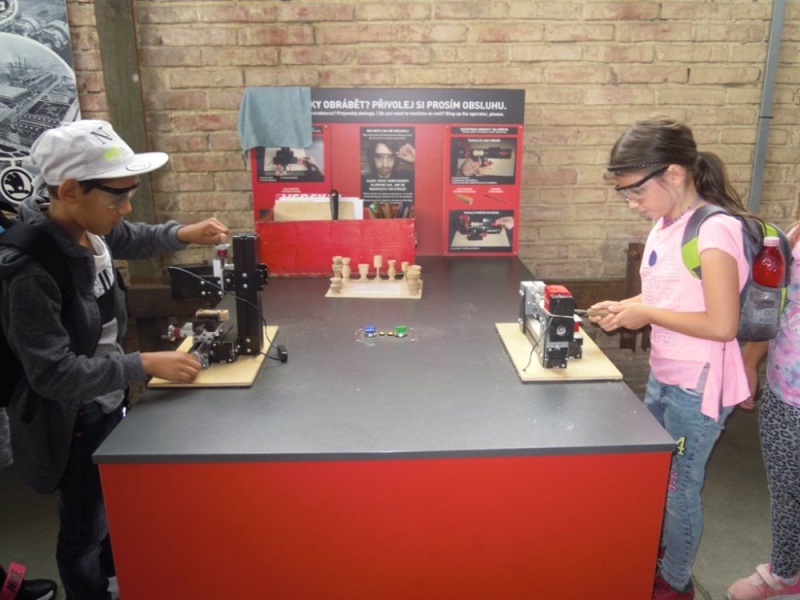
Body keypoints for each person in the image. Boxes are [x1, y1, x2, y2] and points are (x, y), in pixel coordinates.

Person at [0, 120, 229, 600]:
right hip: (72, 417)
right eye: (116, 199)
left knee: (108, 508)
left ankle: (116, 576)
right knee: (83, 528)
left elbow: (130, 236)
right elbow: (52, 374)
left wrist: (183, 233)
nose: (124, 210)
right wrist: (142, 364)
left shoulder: (87, 225)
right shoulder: (29, 271)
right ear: (69, 190)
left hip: (104, 396)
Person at [588, 117, 753, 600]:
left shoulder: (715, 231)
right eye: (625, 194)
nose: (633, 203)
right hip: (667, 375)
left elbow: (722, 325)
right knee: (656, 476)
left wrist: (645, 313)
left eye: (637, 192)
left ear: (674, 174)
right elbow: (671, 295)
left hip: (698, 387)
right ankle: (654, 553)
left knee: (679, 488)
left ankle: (676, 581)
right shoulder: (666, 225)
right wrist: (626, 307)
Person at [726, 224, 800, 599]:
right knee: (786, 490)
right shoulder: (794, 235)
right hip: (785, 389)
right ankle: (785, 573)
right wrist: (750, 361)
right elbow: (774, 304)